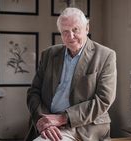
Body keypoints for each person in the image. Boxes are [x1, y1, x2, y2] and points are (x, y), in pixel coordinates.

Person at [25, 7, 117, 141]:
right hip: (48, 121)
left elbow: (103, 100)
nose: (71, 36)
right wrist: (43, 120)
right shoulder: (48, 54)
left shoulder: (105, 55)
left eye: (75, 30)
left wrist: (63, 118)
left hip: (84, 126)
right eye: (65, 32)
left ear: (86, 28)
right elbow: (34, 92)